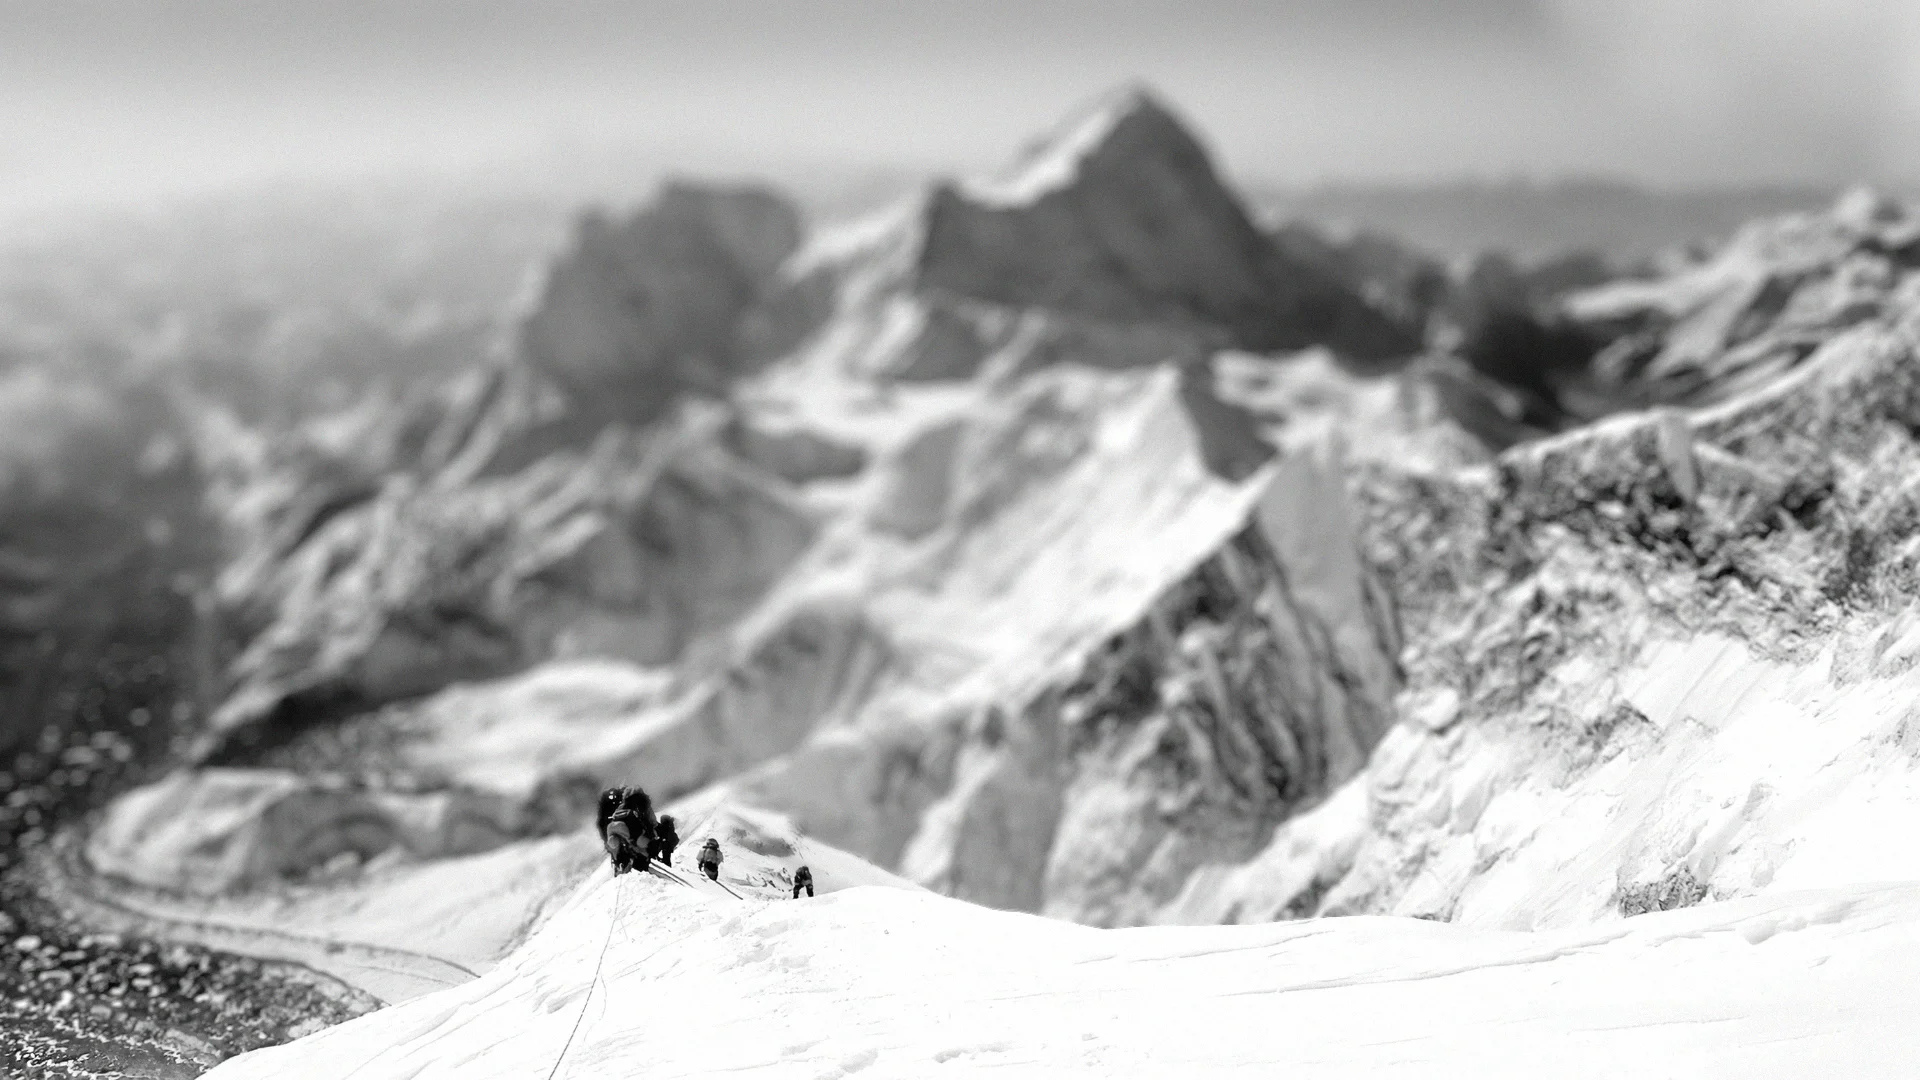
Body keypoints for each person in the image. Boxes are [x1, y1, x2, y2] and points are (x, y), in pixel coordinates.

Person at [597, 786, 657, 875]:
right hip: (627, 828)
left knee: (616, 846)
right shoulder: (642, 803)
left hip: (612, 828)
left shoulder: (622, 806)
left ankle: (620, 863)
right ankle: (643, 860)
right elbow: (651, 822)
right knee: (643, 844)